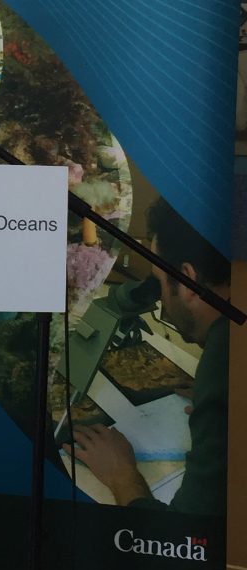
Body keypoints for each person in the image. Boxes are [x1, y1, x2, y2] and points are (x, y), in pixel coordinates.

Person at [65, 197, 230, 515]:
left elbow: (183, 532)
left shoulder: (224, 359)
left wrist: (122, 475)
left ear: (189, 280)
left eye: (159, 279)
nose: (161, 299)